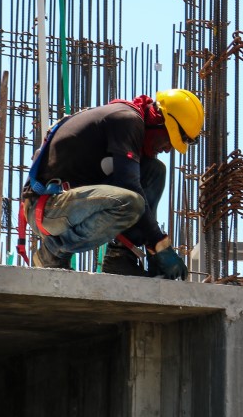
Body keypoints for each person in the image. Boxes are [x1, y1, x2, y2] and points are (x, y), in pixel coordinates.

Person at [18, 89, 204, 279]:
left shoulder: (128, 120)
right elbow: (130, 186)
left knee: (154, 171)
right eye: (169, 140)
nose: (167, 149)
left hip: (70, 203)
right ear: (159, 123)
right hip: (47, 207)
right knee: (130, 202)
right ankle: (53, 252)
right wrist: (159, 244)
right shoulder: (127, 120)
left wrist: (152, 248)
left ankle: (121, 257)